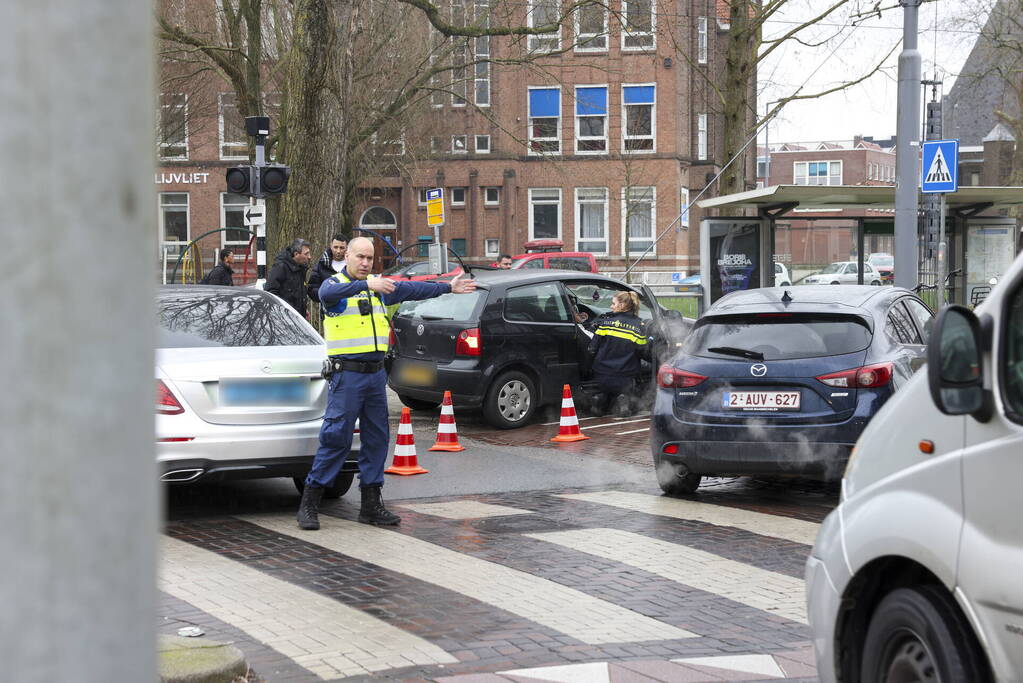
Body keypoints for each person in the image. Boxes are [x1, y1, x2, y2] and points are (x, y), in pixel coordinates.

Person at [297, 236, 477, 530]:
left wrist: (448, 287)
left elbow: (413, 288)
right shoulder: (335, 285)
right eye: (360, 257)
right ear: (347, 257)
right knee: (336, 437)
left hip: (375, 376)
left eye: (370, 258)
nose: (365, 263)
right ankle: (310, 502)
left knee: (377, 439)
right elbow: (326, 293)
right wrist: (368, 285)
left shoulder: (378, 289)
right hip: (347, 376)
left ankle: (371, 504)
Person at [587, 291, 649, 417]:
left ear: (622, 305)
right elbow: (643, 352)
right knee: (633, 391)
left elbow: (592, 348)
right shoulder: (638, 326)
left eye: (613, 303)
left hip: (602, 374)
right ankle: (624, 400)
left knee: (606, 391)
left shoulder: (605, 323)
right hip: (624, 375)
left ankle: (599, 400)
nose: (611, 306)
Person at [264, 238, 312, 317]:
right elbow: (270, 292)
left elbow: (297, 291)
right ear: (296, 254)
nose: (309, 257)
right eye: (306, 254)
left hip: (297, 316)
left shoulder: (301, 268)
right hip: (284, 317)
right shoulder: (280, 267)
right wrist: (286, 311)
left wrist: (303, 309)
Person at [307, 234, 348, 308]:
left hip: (351, 310)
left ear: (347, 248)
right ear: (331, 246)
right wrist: (327, 295)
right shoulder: (321, 265)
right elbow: (312, 289)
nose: (338, 251)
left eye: (342, 248)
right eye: (335, 247)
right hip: (328, 310)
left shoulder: (353, 265)